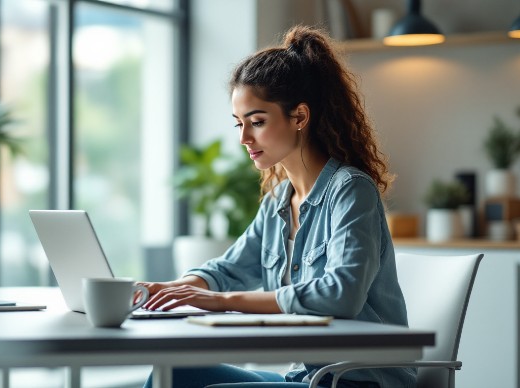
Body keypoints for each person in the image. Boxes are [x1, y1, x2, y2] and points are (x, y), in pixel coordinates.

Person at [138, 25, 415, 388]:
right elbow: (228, 269)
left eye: (257, 122)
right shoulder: (278, 203)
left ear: (299, 117)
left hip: (357, 381)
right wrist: (171, 289)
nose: (243, 138)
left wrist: (222, 301)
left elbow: (342, 294)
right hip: (307, 377)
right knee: (173, 373)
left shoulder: (351, 191)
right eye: (239, 124)